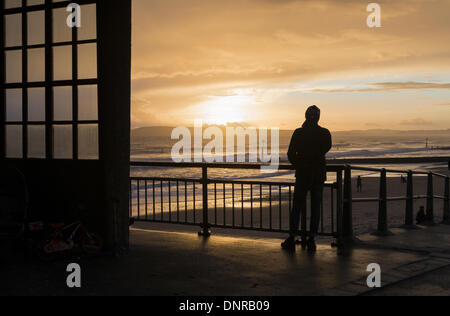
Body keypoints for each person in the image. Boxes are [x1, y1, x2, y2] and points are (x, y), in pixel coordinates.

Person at [282, 105, 332, 252]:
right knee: (316, 207)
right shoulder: (324, 133)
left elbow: (290, 153)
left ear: (305, 116)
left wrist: (300, 164)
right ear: (318, 118)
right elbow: (326, 148)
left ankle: (292, 237)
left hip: (303, 174)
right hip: (318, 174)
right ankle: (311, 238)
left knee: (297, 207)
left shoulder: (298, 133)